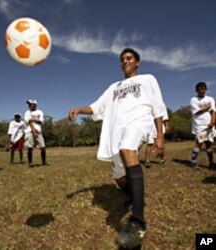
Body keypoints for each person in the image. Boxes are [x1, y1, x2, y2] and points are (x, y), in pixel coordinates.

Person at [68, 48, 165, 249]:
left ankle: (138, 221)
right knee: (120, 179)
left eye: (129, 58)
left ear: (137, 62)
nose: (125, 62)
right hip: (116, 133)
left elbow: (157, 106)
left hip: (140, 122)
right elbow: (96, 107)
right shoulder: (114, 87)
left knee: (128, 150)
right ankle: (132, 193)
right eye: (122, 60)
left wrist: (160, 137)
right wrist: (79, 109)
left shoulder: (147, 79)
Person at [190, 82, 216, 169]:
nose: (202, 89)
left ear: (206, 89)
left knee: (209, 143)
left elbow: (213, 111)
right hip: (200, 125)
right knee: (199, 143)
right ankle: (193, 161)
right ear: (196, 90)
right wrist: (206, 108)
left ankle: (211, 162)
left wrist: (213, 122)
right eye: (200, 88)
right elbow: (196, 111)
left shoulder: (210, 99)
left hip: (209, 124)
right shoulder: (194, 100)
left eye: (203, 88)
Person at [24, 99, 47, 167]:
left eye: (30, 104)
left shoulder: (40, 112)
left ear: (35, 105)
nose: (29, 106)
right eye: (29, 104)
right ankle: (30, 163)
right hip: (30, 131)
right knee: (30, 148)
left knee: (43, 147)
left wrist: (33, 119)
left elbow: (41, 122)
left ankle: (43, 162)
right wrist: (34, 132)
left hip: (38, 131)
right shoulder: (27, 112)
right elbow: (29, 122)